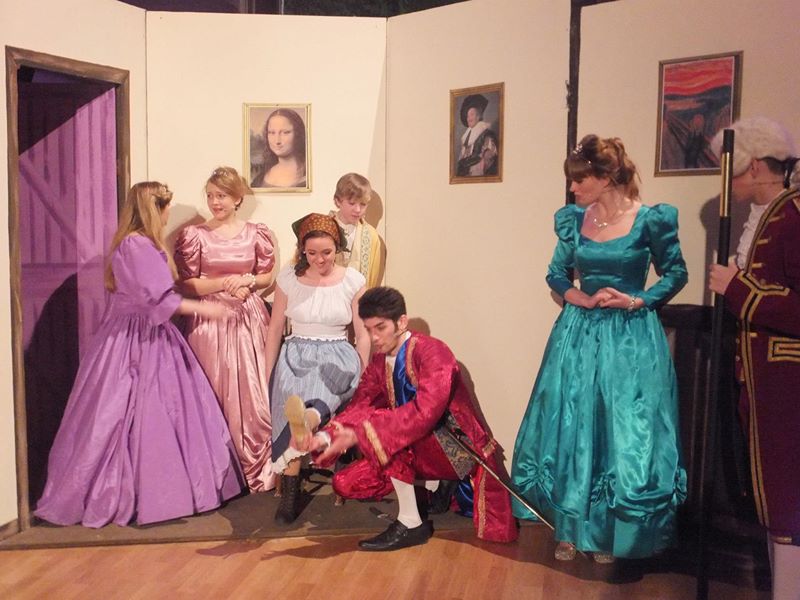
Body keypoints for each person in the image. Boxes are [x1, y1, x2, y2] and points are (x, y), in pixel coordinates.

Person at [511, 134, 688, 562]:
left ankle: (609, 532)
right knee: (573, 426)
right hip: (578, 335)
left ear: (606, 177)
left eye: (580, 180)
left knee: (620, 431)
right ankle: (570, 528)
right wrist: (580, 297)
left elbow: (676, 273)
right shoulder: (574, 220)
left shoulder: (650, 219)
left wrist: (636, 300)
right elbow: (556, 273)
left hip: (630, 338)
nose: (573, 188)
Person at [34, 182, 243, 528]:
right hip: (137, 338)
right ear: (155, 209)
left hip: (140, 332)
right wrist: (207, 310)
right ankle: (140, 493)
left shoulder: (137, 243)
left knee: (146, 412)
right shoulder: (136, 245)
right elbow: (156, 300)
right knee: (133, 412)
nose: (168, 215)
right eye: (166, 208)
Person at [289, 286, 518, 551]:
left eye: (381, 327)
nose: (374, 337)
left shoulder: (434, 352)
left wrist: (360, 433)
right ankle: (429, 495)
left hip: (456, 448)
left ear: (401, 322)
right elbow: (360, 405)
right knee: (344, 483)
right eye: (369, 329)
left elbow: (425, 413)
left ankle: (411, 523)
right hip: (416, 445)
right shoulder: (379, 361)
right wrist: (324, 438)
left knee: (379, 426)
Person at [707, 117, 800, 600]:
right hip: (760, 380)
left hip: (787, 383)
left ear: (756, 166)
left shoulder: (793, 217)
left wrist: (739, 289)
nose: (728, 183)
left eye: (733, 170)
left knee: (786, 499)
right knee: (771, 498)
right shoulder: (767, 217)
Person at [174, 166, 278, 493]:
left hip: (249, 319)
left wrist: (247, 281)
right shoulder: (195, 235)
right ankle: (219, 472)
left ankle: (254, 465)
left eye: (221, 196)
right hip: (210, 322)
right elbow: (185, 285)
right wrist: (224, 283)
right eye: (210, 196)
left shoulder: (257, 233)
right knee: (214, 391)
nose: (215, 202)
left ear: (237, 199)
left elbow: (267, 277)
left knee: (253, 393)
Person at [265, 212, 369, 524]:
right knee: (289, 393)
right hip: (295, 353)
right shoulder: (288, 279)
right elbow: (275, 329)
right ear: (302, 251)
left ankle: (307, 418)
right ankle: (291, 490)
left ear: (337, 247)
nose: (320, 260)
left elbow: (362, 333)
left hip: (337, 354)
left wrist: (364, 371)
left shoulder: (353, 280)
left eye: (326, 252)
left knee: (325, 387)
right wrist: (268, 373)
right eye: (312, 253)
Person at [329, 172, 384, 288]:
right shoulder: (322, 229)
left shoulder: (371, 235)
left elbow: (372, 277)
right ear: (337, 201)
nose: (358, 209)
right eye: (352, 203)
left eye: (363, 204)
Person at [251, 108, 307, 189]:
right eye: (272, 132)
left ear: (298, 134)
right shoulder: (261, 177)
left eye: (285, 132)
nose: (277, 141)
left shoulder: (307, 177)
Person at [456, 93, 498, 177]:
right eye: (467, 116)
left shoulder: (484, 132)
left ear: (478, 117)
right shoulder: (466, 136)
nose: (469, 118)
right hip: (466, 170)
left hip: (479, 168)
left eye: (472, 114)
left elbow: (491, 153)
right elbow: (463, 156)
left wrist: (486, 156)